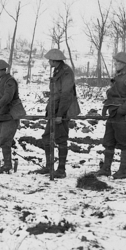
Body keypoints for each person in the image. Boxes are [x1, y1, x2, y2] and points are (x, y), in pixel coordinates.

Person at [95, 52, 126, 179]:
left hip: (123, 115)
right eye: (116, 61)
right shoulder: (118, 75)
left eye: (119, 62)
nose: (116, 64)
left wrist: (121, 110)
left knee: (123, 142)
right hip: (113, 113)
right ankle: (106, 169)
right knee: (108, 141)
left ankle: (122, 171)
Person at [35, 49, 79, 178]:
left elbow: (66, 95)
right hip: (54, 110)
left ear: (55, 60)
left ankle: (61, 170)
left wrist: (60, 114)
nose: (49, 62)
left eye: (50, 60)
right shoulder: (58, 71)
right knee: (47, 138)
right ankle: (49, 167)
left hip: (62, 111)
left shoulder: (66, 72)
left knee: (61, 139)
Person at [0, 59, 27, 173]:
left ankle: (7, 165)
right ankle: (7, 164)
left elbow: (8, 96)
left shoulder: (10, 81)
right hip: (2, 114)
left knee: (5, 140)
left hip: (10, 115)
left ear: (3, 70)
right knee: (2, 140)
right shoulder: (0, 81)